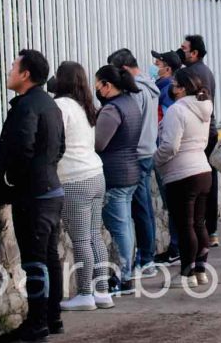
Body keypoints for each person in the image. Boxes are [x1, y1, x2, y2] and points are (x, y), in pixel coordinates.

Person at [0, 50, 66, 342]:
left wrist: (12, 180)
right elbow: (60, 147)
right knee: (49, 258)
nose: (10, 70)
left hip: (34, 195)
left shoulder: (27, 107)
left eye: (14, 66)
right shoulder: (50, 104)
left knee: (35, 261)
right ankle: (52, 317)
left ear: (25, 74)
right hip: (51, 188)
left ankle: (37, 324)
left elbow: (22, 149)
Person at [47, 62, 114, 312]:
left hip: (74, 179)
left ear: (62, 80)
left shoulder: (61, 106)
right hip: (96, 175)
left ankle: (86, 294)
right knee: (95, 236)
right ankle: (102, 292)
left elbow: (53, 140)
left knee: (81, 240)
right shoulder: (86, 106)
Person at [155, 68, 213, 288]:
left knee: (184, 225)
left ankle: (186, 273)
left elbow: (170, 146)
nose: (171, 88)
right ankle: (200, 270)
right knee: (199, 223)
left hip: (182, 174)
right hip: (202, 169)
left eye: (174, 85)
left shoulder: (177, 110)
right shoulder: (202, 108)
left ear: (181, 89)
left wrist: (156, 159)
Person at [107, 49, 160, 280]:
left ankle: (146, 259)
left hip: (136, 153)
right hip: (147, 150)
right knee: (143, 206)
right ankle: (147, 257)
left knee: (139, 208)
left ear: (125, 69)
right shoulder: (149, 85)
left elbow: (130, 124)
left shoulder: (135, 92)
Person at [94, 65, 143, 296]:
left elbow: (99, 143)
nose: (96, 89)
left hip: (114, 174)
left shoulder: (111, 110)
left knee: (120, 227)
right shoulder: (131, 103)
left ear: (107, 85)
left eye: (98, 84)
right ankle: (127, 273)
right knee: (126, 225)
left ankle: (124, 277)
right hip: (130, 170)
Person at [176, 34, 221, 249]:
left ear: (194, 53)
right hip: (209, 131)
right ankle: (211, 230)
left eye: (184, 48)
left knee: (198, 189)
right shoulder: (206, 71)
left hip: (198, 135)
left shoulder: (190, 74)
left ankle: (202, 232)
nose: (180, 51)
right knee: (209, 184)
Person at [150, 50, 183, 267]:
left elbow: (170, 129)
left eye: (158, 62)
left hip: (169, 156)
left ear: (168, 69)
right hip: (174, 155)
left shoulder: (166, 91)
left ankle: (177, 248)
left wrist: (159, 156)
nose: (154, 65)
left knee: (174, 204)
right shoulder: (165, 88)